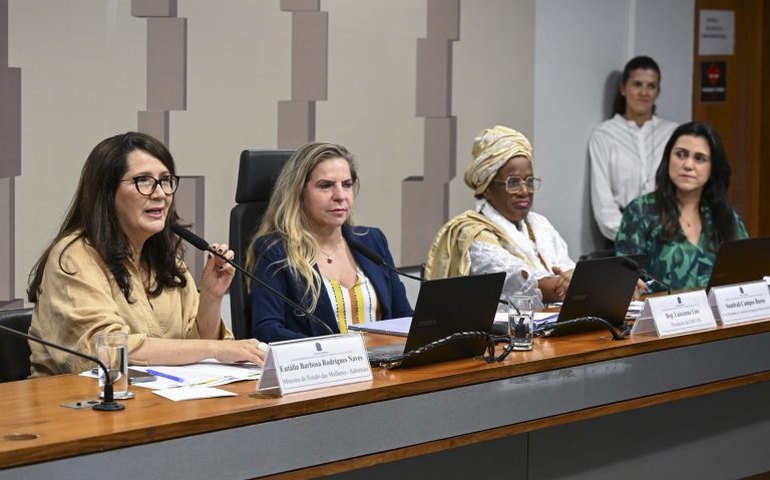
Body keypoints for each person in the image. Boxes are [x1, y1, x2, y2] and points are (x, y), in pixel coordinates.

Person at [27, 132, 266, 376]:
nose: (160, 193)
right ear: (107, 193)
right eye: (143, 181)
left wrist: (211, 298)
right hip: (74, 404)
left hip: (155, 401)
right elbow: (106, 351)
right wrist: (213, 348)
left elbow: (192, 345)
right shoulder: (74, 257)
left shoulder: (167, 261)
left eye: (165, 180)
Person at [246, 142, 413, 342]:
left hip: (387, 368)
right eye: (326, 186)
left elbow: (404, 317)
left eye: (347, 185)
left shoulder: (372, 241)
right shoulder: (276, 251)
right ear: (299, 193)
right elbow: (268, 331)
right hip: (324, 368)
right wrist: (337, 350)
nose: (340, 196)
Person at [424, 125, 575, 305]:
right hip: (507, 331)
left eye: (529, 181)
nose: (524, 191)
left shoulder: (539, 223)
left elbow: (569, 272)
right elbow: (526, 284)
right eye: (513, 183)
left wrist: (571, 280)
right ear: (486, 188)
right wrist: (567, 284)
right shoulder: (472, 235)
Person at [615, 121, 748, 292]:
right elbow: (625, 281)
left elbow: (746, 275)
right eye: (681, 154)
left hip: (718, 316)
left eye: (700, 159)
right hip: (660, 316)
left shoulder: (725, 216)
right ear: (668, 158)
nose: (688, 165)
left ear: (712, 167)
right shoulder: (641, 211)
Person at [589, 55, 679, 244]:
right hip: (621, 236)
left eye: (651, 86)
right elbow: (602, 199)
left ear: (658, 91)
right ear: (623, 88)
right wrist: (630, 235)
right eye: (637, 84)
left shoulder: (672, 133)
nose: (644, 92)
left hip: (667, 234)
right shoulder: (604, 134)